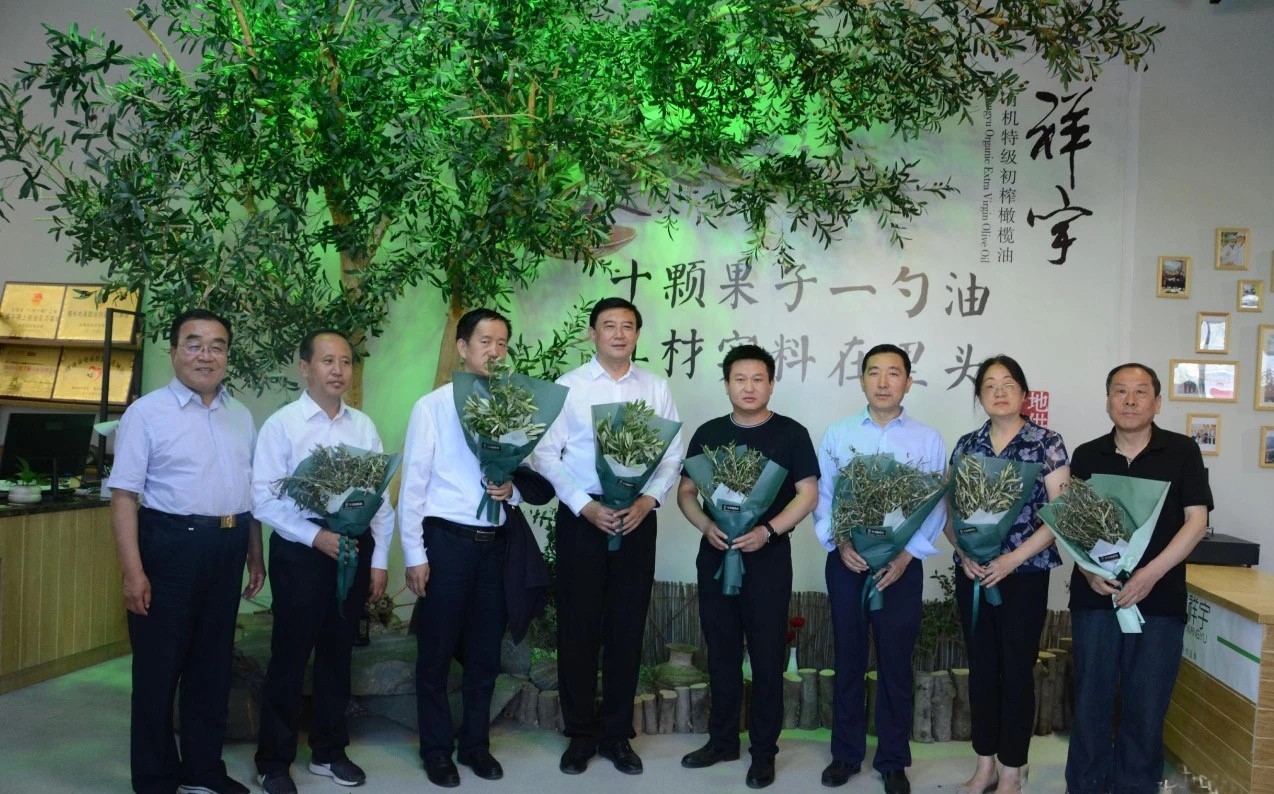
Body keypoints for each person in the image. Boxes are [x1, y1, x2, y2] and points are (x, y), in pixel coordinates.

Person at [107, 308, 265, 794]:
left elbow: (249, 493)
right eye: (194, 344)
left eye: (217, 346)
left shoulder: (241, 415)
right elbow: (123, 496)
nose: (205, 355)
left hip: (229, 544)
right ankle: (155, 779)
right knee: (158, 671)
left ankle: (202, 770)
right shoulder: (146, 413)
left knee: (212, 667)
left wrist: (255, 554)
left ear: (227, 355)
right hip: (170, 548)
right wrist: (133, 573)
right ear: (174, 352)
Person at [399, 308, 551, 788]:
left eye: (502, 343)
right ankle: (436, 751)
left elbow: (534, 475)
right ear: (462, 348)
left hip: (496, 546)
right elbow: (413, 486)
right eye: (485, 341)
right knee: (436, 653)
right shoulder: (433, 406)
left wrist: (513, 490)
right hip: (447, 543)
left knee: (486, 655)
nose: (494, 351)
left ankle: (475, 746)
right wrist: (415, 554)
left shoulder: (517, 407)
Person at [532, 297, 683, 776]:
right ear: (592, 333)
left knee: (626, 628)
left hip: (637, 519)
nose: (619, 334)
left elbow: (672, 456)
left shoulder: (655, 388)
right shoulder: (569, 386)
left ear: (637, 334)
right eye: (609, 325)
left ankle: (617, 734)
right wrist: (585, 505)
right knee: (577, 628)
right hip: (583, 520)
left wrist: (648, 501)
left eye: (628, 326)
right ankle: (580, 734)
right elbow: (545, 455)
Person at [251, 330, 395, 793]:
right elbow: (264, 500)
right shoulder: (282, 425)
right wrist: (317, 537)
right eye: (327, 360)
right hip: (301, 552)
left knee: (338, 654)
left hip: (352, 550)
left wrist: (379, 560)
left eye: (346, 362)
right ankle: (273, 761)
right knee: (290, 657)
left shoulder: (363, 426)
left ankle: (329, 753)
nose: (338, 370)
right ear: (304, 367)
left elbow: (379, 498)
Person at [1064, 364, 1212, 794]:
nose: (1129, 401)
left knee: (1146, 707)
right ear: (1108, 400)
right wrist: (1088, 570)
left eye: (1140, 392)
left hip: (1159, 600)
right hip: (1096, 598)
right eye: (1120, 391)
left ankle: (1136, 787)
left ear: (1157, 402)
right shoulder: (1087, 455)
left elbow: (1196, 521)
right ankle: (1086, 786)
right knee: (1090, 702)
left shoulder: (1182, 451)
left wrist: (1151, 573)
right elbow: (1071, 523)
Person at [676, 345, 818, 789]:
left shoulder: (791, 434)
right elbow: (686, 492)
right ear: (727, 385)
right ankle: (722, 741)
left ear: (771, 384)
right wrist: (705, 525)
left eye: (758, 379)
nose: (749, 387)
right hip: (717, 556)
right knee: (720, 652)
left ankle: (763, 752)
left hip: (768, 559)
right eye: (740, 379)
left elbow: (808, 494)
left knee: (767, 656)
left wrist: (768, 531)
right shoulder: (709, 433)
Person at [812, 344, 947, 794]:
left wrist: (907, 555)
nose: (883, 382)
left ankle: (892, 760)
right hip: (847, 562)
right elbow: (824, 496)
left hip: (900, 568)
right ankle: (845, 755)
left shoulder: (927, 439)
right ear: (862, 380)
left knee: (895, 663)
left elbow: (935, 505)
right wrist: (841, 542)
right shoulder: (839, 433)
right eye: (874, 372)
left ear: (908, 381)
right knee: (848, 658)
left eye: (893, 373)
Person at [943, 356, 1069, 794]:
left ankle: (1013, 769)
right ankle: (985, 767)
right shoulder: (967, 445)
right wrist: (964, 553)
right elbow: (949, 511)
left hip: (1024, 575)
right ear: (980, 396)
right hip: (975, 575)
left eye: (1008, 383)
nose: (999, 392)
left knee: (1016, 671)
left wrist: (1012, 560)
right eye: (990, 385)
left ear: (1024, 394)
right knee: (981, 669)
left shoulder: (1046, 443)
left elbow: (1060, 513)